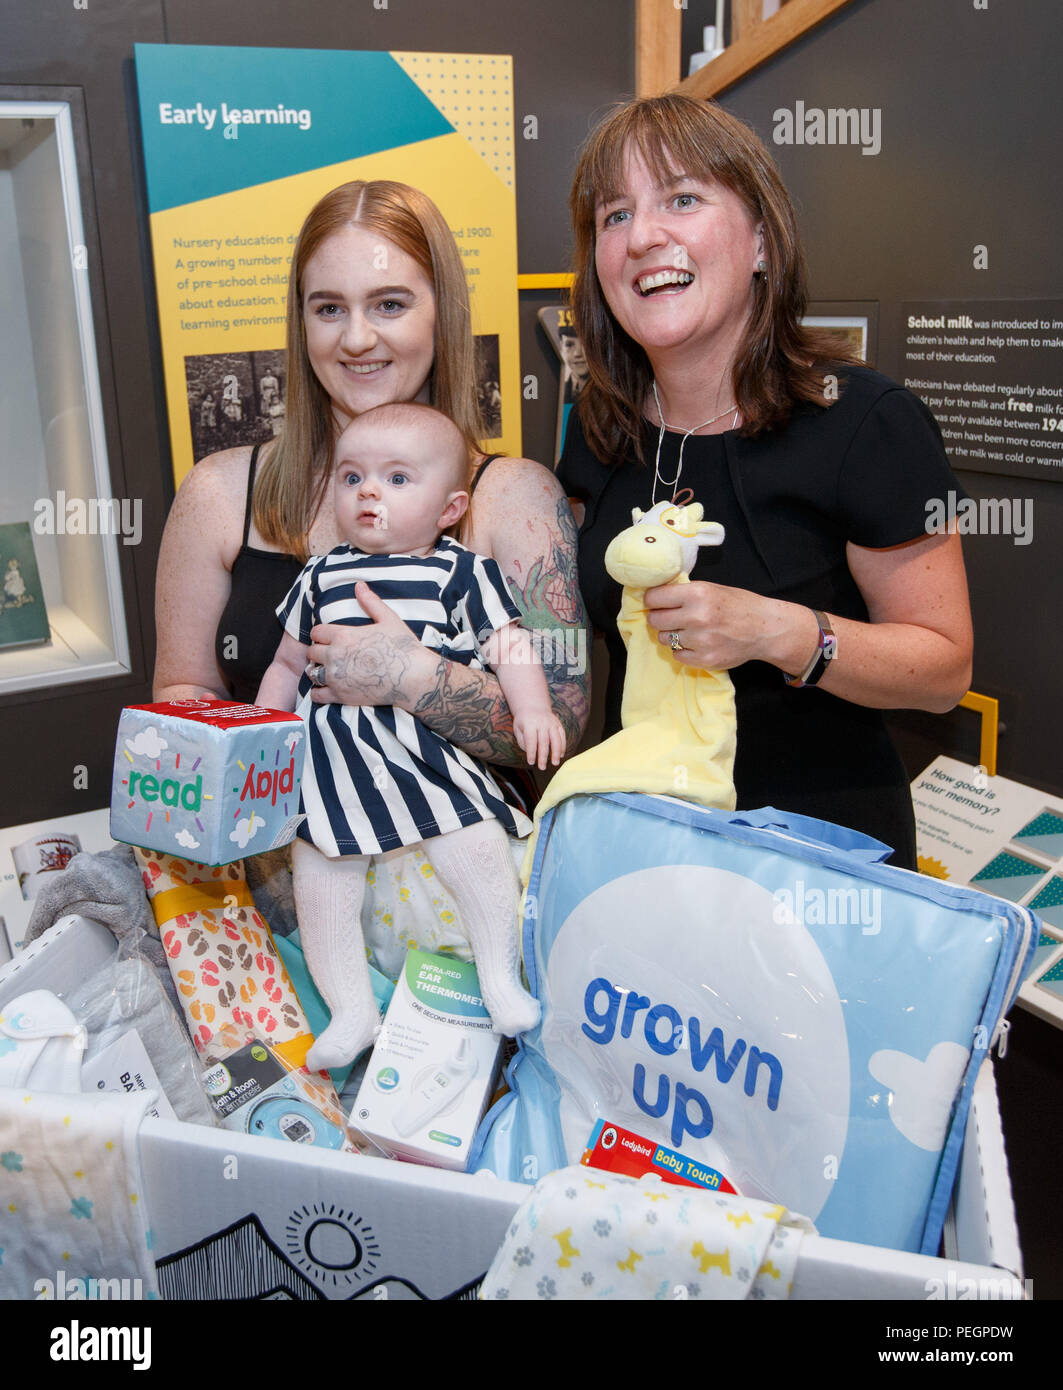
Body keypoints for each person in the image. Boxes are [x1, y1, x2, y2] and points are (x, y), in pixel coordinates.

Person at [557, 96, 973, 867]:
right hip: (645, 850)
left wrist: (774, 631)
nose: (643, 236)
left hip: (819, 867)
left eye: (681, 199)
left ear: (759, 240)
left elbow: (943, 671)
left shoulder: (865, 422)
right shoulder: (597, 428)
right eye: (614, 216)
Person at [155, 178, 588, 776]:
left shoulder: (515, 497)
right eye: (329, 308)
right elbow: (183, 692)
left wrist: (410, 674)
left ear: (442, 312)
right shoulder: (220, 493)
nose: (356, 339)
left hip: (456, 855)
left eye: (390, 304)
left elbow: (559, 722)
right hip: (281, 854)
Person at [257, 402, 563, 1067]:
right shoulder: (317, 575)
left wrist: (534, 709)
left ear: (450, 507)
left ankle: (499, 979)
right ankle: (351, 1012)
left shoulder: (459, 572)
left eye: (397, 479)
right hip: (334, 770)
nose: (369, 491)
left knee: (477, 851)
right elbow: (285, 664)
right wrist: (262, 736)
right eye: (351, 476)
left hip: (427, 760)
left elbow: (510, 644)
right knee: (320, 885)